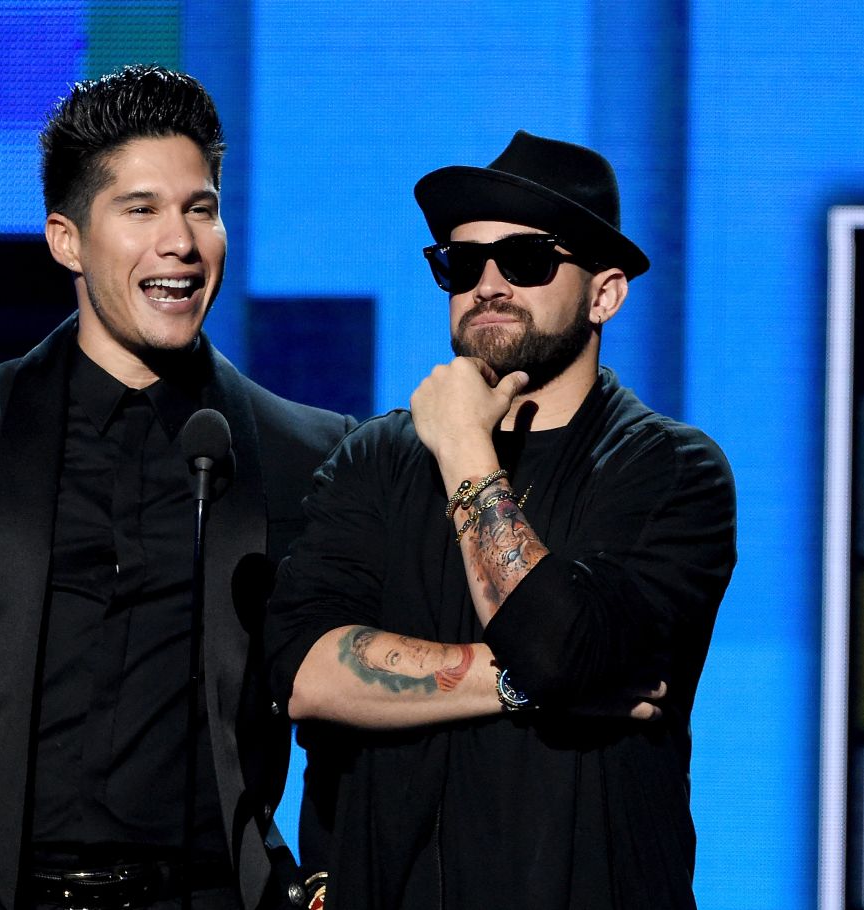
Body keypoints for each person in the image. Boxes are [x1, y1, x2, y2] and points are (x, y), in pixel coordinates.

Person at [0, 65, 353, 910]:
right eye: (142, 209)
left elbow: (337, 700)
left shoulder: (302, 451)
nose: (182, 243)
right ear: (67, 239)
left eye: (201, 208)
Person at [266, 131, 736, 909]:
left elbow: (556, 646)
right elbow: (303, 675)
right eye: (461, 263)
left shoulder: (670, 470)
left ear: (605, 293)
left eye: (525, 260)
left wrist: (461, 446)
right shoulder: (374, 460)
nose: (487, 284)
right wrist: (527, 684)